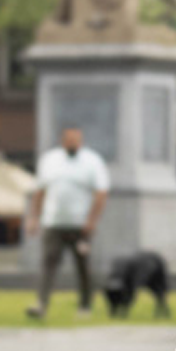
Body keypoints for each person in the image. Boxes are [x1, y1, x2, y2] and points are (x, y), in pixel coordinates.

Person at [26, 126, 110, 320]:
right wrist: (34, 218)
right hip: (53, 222)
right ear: (63, 140)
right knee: (48, 263)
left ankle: (85, 305)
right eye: (69, 139)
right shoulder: (50, 160)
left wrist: (91, 221)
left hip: (80, 225)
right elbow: (40, 191)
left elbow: (101, 193)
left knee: (83, 266)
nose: (73, 143)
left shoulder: (92, 161)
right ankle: (41, 304)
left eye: (76, 139)